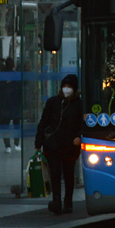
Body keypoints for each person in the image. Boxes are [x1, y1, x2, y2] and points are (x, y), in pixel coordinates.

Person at [35, 74, 83, 215]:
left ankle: (68, 202)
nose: (66, 89)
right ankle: (56, 200)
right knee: (55, 173)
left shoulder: (78, 105)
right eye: (64, 86)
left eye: (69, 87)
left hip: (70, 146)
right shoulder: (53, 102)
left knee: (68, 175)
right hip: (53, 145)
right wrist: (38, 143)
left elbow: (82, 123)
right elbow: (43, 123)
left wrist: (79, 136)